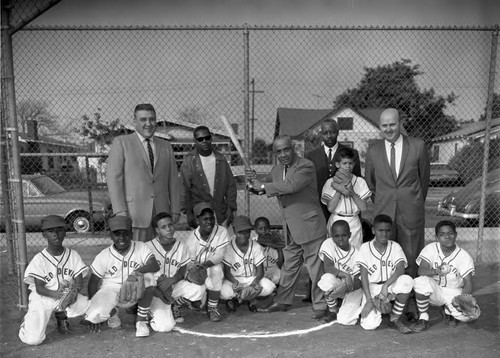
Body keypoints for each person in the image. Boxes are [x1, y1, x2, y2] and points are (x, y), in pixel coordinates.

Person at [246, 135, 328, 320]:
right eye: (278, 151)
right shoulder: (276, 170)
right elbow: (264, 187)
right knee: (290, 266)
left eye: (286, 149)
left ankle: (322, 305)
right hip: (290, 228)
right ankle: (283, 301)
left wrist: (263, 184)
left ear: (293, 148)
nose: (283, 154)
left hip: (309, 226)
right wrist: (253, 182)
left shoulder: (305, 166)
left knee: (316, 269)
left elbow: (290, 186)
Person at [364, 108, 430, 279]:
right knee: (385, 257)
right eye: (384, 125)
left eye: (392, 124)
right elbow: (370, 183)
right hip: (384, 212)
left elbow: (423, 180)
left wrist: (413, 202)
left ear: (400, 123)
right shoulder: (373, 150)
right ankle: (387, 293)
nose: (388, 129)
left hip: (410, 212)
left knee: (411, 255)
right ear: (379, 126)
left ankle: (410, 293)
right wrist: (383, 201)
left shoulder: (418, 146)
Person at [107, 103, 182, 242]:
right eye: (143, 119)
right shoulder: (122, 143)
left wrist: (175, 209)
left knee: (162, 258)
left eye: (152, 119)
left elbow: (173, 180)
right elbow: (113, 179)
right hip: (134, 215)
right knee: (137, 258)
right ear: (135, 122)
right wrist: (120, 211)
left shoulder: (166, 146)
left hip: (162, 216)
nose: (148, 123)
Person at [19, 215, 90, 345]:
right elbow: (40, 288)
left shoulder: (73, 255)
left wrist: (73, 293)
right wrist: (57, 295)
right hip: (44, 297)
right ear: (44, 234)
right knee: (34, 340)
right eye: (51, 231)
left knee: (95, 312)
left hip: (68, 296)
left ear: (65, 233)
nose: (56, 234)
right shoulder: (39, 259)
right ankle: (27, 324)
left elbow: (79, 283)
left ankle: (61, 316)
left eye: (59, 230)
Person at [84, 216, 160, 337]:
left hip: (135, 289)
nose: (122, 238)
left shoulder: (140, 247)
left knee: (149, 277)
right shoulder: (104, 255)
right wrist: (92, 306)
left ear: (131, 233)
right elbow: (93, 282)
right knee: (94, 315)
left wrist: (135, 273)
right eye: (117, 234)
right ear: (110, 236)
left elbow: (154, 265)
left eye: (125, 233)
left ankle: (141, 321)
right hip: (110, 290)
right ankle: (113, 313)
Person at [412, 221, 479, 332]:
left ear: (456, 234)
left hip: (454, 292)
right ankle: (423, 317)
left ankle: (449, 311)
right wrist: (436, 271)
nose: (447, 237)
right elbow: (421, 271)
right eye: (442, 234)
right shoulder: (431, 249)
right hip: (435, 290)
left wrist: (463, 301)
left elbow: (468, 282)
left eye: (450, 233)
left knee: (468, 316)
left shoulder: (464, 256)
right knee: (420, 282)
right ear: (437, 237)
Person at [145, 212, 206, 327]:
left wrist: (172, 279)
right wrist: (156, 289)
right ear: (157, 230)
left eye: (170, 225)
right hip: (156, 290)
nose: (168, 229)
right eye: (163, 227)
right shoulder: (148, 247)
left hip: (173, 286)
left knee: (199, 288)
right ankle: (149, 310)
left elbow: (183, 269)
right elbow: (143, 274)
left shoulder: (181, 246)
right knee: (165, 327)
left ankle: (175, 305)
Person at [356, 214, 415, 334]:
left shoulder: (395, 246)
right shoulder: (365, 248)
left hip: (389, 287)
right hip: (372, 288)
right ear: (373, 230)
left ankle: (394, 318)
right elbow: (363, 276)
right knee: (369, 325)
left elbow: (400, 269)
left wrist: (385, 286)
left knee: (406, 280)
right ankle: (368, 307)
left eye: (387, 230)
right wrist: (369, 300)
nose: (384, 234)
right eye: (380, 230)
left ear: (391, 231)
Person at [180, 125, 237, 228]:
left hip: (220, 211)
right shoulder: (189, 160)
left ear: (211, 138)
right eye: (200, 139)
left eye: (207, 138)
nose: (204, 141)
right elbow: (185, 188)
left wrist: (230, 208)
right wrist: (189, 213)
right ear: (195, 141)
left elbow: (230, 186)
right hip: (200, 212)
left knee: (221, 242)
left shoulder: (221, 159)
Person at [183, 202, 231, 322]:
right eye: (205, 219)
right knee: (197, 304)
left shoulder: (221, 231)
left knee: (216, 269)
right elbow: (191, 262)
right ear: (197, 221)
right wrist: (194, 270)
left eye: (211, 218)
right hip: (199, 270)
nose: (209, 221)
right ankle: (199, 299)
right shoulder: (192, 238)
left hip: (211, 266)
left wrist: (204, 265)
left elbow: (219, 256)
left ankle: (212, 308)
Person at [306, 118, 361, 220]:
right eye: (325, 133)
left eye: (332, 132)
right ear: (321, 134)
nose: (329, 136)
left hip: (345, 206)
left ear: (338, 132)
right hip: (320, 207)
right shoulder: (312, 156)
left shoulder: (351, 153)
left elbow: (357, 182)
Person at [221, 216, 276, 312]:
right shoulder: (228, 247)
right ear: (234, 231)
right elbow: (227, 272)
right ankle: (239, 299)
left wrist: (254, 283)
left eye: (246, 232)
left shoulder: (256, 247)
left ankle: (244, 298)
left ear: (250, 232)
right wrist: (234, 282)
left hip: (251, 279)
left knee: (269, 286)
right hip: (235, 280)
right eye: (240, 232)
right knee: (224, 292)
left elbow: (260, 271)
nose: (244, 235)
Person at [321, 147, 371, 248]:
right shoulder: (330, 182)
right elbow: (330, 208)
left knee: (355, 255)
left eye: (350, 163)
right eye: (344, 163)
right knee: (335, 254)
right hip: (336, 220)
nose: (348, 166)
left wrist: (351, 192)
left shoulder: (360, 182)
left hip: (354, 222)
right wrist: (340, 189)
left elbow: (363, 208)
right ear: (337, 164)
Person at [317, 220, 363, 324]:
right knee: (326, 279)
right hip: (338, 283)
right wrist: (345, 274)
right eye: (336, 236)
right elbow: (328, 267)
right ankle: (333, 310)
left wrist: (346, 287)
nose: (340, 239)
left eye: (344, 235)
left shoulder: (357, 254)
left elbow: (359, 281)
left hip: (352, 287)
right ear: (331, 236)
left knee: (345, 320)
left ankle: (358, 307)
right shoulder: (328, 243)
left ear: (350, 235)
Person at [253, 216, 284, 286]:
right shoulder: (253, 244)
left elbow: (280, 265)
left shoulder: (275, 241)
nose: (263, 231)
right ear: (255, 230)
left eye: (266, 228)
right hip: (258, 272)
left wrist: (279, 249)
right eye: (260, 229)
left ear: (269, 228)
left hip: (273, 272)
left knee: (282, 276)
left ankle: (276, 291)